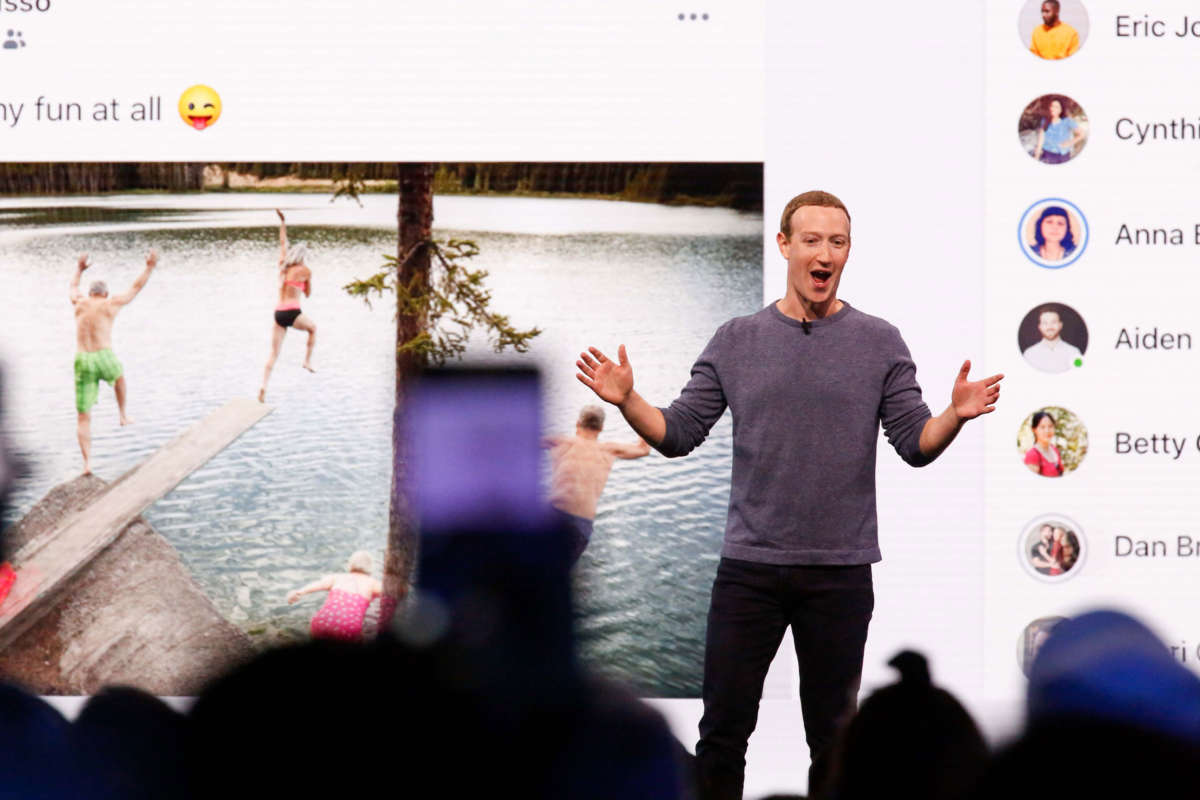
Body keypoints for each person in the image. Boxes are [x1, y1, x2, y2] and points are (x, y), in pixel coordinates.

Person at [575, 190, 1002, 799]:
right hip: (750, 570)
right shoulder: (737, 338)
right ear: (784, 245)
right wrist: (628, 402)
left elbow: (915, 442)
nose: (824, 254)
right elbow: (679, 434)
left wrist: (955, 415)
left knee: (833, 743)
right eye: (812, 240)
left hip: (840, 572)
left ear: (848, 252)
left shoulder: (880, 341)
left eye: (838, 242)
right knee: (722, 735)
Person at [70, 250, 158, 475]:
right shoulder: (111, 303)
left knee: (83, 416)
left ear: (90, 293)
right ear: (105, 293)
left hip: (82, 360)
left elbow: (72, 287)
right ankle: (122, 414)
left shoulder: (79, 302)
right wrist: (149, 267)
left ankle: (87, 464)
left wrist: (79, 269)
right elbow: (136, 287)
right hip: (103, 355)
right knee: (119, 377)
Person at [543, 404, 651, 563]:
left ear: (578, 424)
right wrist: (638, 415)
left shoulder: (561, 442)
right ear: (601, 428)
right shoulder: (609, 450)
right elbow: (643, 449)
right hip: (581, 525)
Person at [258, 209, 316, 403]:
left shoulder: (283, 265)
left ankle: (263, 386)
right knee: (313, 329)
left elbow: (283, 242)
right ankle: (307, 361)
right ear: (303, 256)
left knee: (273, 354)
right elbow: (308, 294)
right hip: (293, 312)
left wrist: (283, 222)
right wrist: (306, 283)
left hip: (278, 314)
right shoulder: (305, 270)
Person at [286, 550, 382, 641]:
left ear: (350, 565)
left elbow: (318, 584)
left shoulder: (337, 577)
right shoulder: (373, 583)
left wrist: (299, 592)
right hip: (348, 629)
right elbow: (392, 594)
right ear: (370, 568)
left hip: (321, 622)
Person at [1022, 307, 1082, 373]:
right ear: (1040, 327)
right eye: (1045, 323)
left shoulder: (1074, 352)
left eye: (1054, 322)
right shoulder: (1029, 354)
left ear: (1060, 325)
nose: (1049, 326)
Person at [1033, 97, 1084, 164]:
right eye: (1051, 106)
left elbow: (1082, 134)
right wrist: (1037, 154)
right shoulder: (1044, 120)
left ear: (1061, 110)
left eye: (1056, 107)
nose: (1053, 108)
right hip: (1047, 153)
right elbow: (1041, 137)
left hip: (1063, 155)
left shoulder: (1067, 121)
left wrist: (1070, 142)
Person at [1024, 410, 1064, 477]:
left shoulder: (1054, 449)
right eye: (1042, 427)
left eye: (1050, 426)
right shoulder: (1032, 455)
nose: (1047, 431)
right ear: (1034, 430)